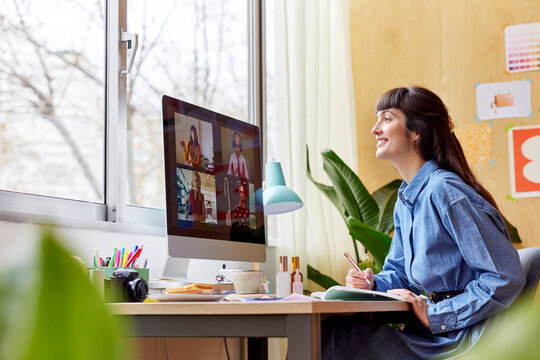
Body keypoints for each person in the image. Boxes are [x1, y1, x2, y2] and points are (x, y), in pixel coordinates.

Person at [322, 86, 525, 359]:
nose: (374, 129)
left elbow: (505, 277)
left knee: (336, 336)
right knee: (335, 330)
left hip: (459, 339)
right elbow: (402, 275)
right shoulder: (406, 199)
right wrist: (372, 284)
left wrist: (437, 315)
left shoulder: (445, 191)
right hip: (431, 333)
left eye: (387, 118)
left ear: (416, 131)